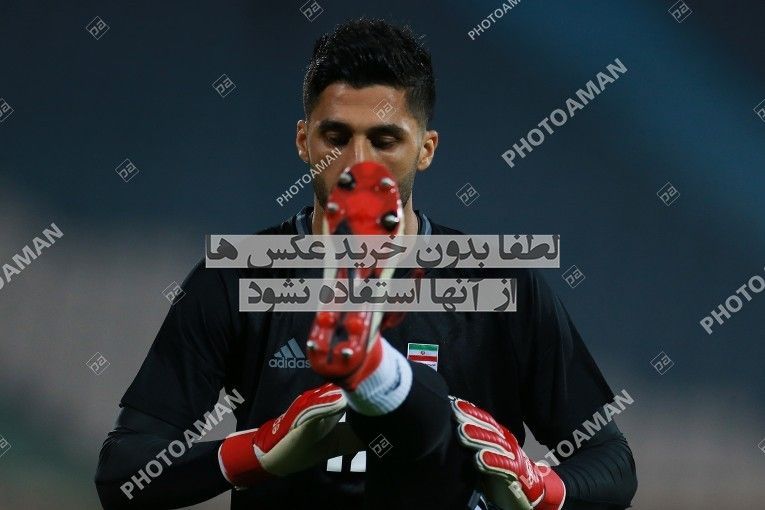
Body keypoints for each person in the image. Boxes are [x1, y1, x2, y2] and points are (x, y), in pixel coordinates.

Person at [94, 18, 637, 510]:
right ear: (304, 141)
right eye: (337, 137)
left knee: (432, 431)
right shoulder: (236, 278)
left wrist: (542, 488)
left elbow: (613, 466)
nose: (358, 163)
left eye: (384, 140)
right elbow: (122, 474)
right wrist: (255, 451)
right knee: (429, 422)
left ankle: (369, 368)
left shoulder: (501, 283)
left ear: (426, 149)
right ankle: (372, 369)